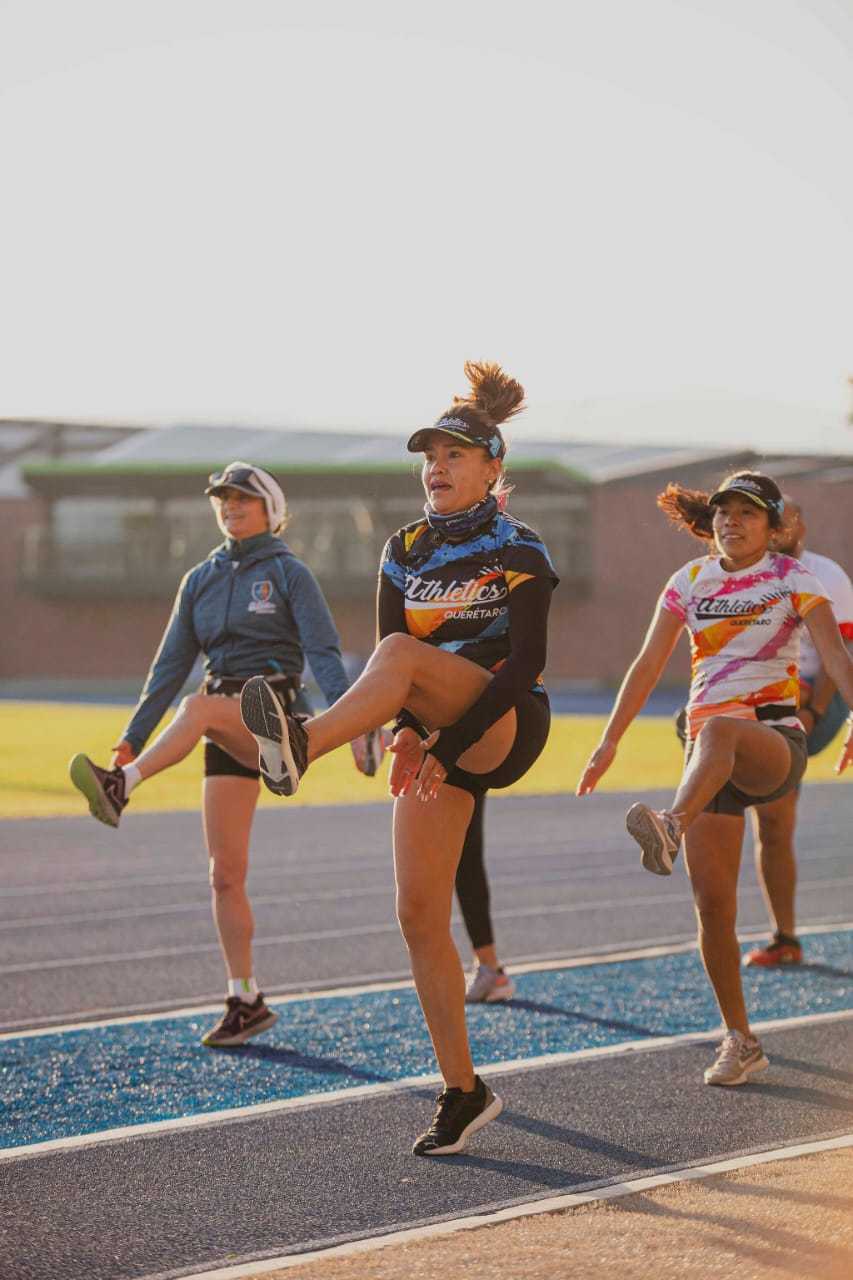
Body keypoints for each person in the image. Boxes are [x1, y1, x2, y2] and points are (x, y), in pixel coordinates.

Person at [239, 362, 558, 1155]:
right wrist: (409, 736)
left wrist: (440, 744)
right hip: (434, 727)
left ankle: (302, 743)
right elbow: (402, 669)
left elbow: (521, 665)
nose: (436, 468)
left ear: (491, 469)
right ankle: (463, 1091)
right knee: (417, 914)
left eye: (454, 455)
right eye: (429, 456)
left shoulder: (519, 546)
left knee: (392, 652)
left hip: (505, 723)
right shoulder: (402, 548)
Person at [69, 462, 378, 1048]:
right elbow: (168, 667)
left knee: (201, 710)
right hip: (226, 726)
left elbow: (324, 650)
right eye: (222, 500)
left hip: (277, 717)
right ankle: (246, 998)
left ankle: (121, 786)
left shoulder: (290, 572)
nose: (230, 507)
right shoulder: (200, 579)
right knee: (224, 876)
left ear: (269, 508)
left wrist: (356, 720)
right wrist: (134, 732)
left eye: (241, 499)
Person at [576, 472, 853, 1087]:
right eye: (724, 512)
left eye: (748, 514)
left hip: (772, 740)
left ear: (772, 525)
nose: (733, 522)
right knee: (713, 905)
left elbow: (834, 655)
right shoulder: (689, 581)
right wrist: (609, 739)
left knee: (722, 731)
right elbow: (648, 663)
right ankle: (741, 1039)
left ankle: (671, 824)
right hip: (705, 754)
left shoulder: (793, 577)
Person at [742, 497, 853, 966]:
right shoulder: (745, 576)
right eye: (774, 516)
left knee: (775, 808)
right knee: (768, 819)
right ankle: (784, 937)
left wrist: (812, 710)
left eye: (790, 515)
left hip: (820, 696)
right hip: (768, 699)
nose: (783, 524)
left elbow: (840, 652)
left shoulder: (826, 575)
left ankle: (785, 938)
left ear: (801, 523)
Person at [457, 796, 516, 1002]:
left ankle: (489, 967)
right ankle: (488, 966)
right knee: (463, 858)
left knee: (463, 858)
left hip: (455, 771)